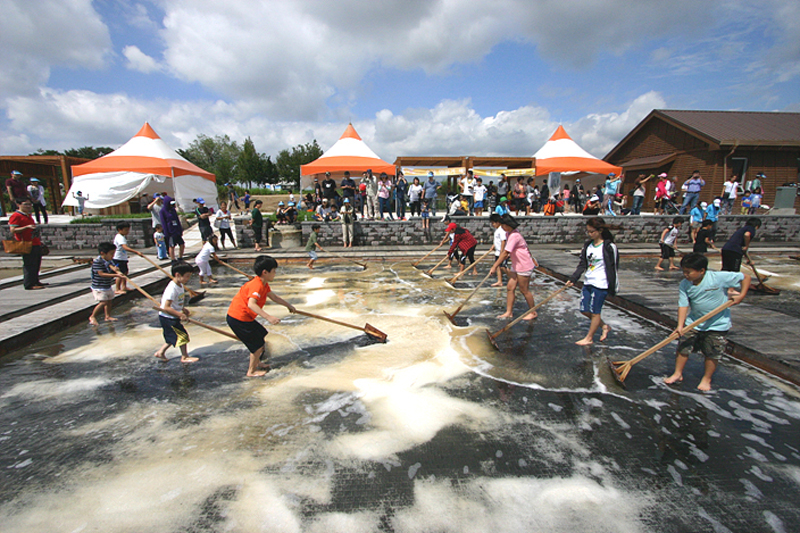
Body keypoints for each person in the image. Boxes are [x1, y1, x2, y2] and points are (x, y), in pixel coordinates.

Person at [664, 253, 751, 391]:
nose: (685, 275)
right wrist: (680, 326)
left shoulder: (718, 278)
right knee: (683, 347)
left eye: (689, 272)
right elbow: (683, 305)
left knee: (712, 352)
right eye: (684, 271)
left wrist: (741, 295)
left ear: (702, 271)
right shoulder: (685, 284)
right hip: (694, 322)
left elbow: (746, 277)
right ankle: (677, 373)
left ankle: (706, 379)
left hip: (718, 324)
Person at [226, 255, 296, 377]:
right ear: (265, 272)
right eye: (274, 271)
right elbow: (251, 304)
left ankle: (257, 361)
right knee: (257, 346)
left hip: (245, 318)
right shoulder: (256, 285)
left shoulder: (263, 283)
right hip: (238, 319)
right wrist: (268, 317)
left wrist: (288, 305)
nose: (275, 274)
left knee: (261, 334)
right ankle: (251, 371)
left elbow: (274, 297)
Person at [566, 217, 619, 345]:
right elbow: (582, 264)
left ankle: (589, 338)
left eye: (592, 231)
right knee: (584, 310)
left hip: (601, 283)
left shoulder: (609, 247)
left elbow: (614, 267)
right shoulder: (588, 246)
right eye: (588, 232)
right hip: (588, 281)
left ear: (600, 231)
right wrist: (573, 278)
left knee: (596, 312)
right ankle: (604, 326)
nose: (589, 234)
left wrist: (613, 286)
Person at [489, 214, 537, 319]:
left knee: (524, 290)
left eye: (502, 225)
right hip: (516, 265)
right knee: (510, 288)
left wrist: (494, 266)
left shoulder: (515, 236)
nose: (501, 227)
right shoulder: (509, 234)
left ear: (507, 225)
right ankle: (508, 312)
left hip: (524, 265)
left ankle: (533, 312)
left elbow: (506, 253)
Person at [154, 262, 199, 363]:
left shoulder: (180, 285)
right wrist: (180, 314)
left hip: (172, 316)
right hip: (168, 317)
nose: (188, 279)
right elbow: (166, 307)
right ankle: (184, 357)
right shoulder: (172, 288)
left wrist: (182, 309)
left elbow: (177, 301)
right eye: (187, 276)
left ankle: (160, 353)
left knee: (172, 337)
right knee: (182, 336)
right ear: (178, 275)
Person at [8, 198, 45, 290]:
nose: (28, 206)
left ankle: (35, 280)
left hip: (34, 241)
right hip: (26, 243)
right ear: (19, 205)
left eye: (30, 205)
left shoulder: (28, 215)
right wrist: (26, 227)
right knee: (29, 264)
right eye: (26, 204)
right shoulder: (16, 216)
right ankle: (29, 283)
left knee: (36, 263)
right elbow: (13, 230)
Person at [89, 242, 123, 326]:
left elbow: (112, 268)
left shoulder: (109, 261)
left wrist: (115, 269)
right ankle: (92, 316)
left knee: (109, 301)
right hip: (99, 286)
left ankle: (107, 316)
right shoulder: (98, 262)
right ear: (102, 253)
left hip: (107, 285)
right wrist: (116, 275)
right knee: (103, 302)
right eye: (111, 254)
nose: (113, 256)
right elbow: (101, 274)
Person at [113, 221, 142, 294]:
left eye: (128, 230)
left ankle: (124, 286)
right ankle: (117, 288)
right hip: (118, 258)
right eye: (126, 230)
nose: (127, 232)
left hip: (122, 258)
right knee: (120, 274)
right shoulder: (120, 237)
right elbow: (125, 247)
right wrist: (136, 252)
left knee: (125, 272)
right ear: (120, 230)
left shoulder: (121, 237)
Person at [489, 213, 508, 287]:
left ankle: (514, 277)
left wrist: (502, 251)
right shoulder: (497, 230)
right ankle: (499, 281)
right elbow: (497, 240)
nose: (493, 224)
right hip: (497, 252)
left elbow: (503, 240)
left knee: (503, 267)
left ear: (498, 222)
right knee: (498, 267)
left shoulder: (502, 230)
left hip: (501, 252)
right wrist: (493, 246)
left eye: (493, 223)